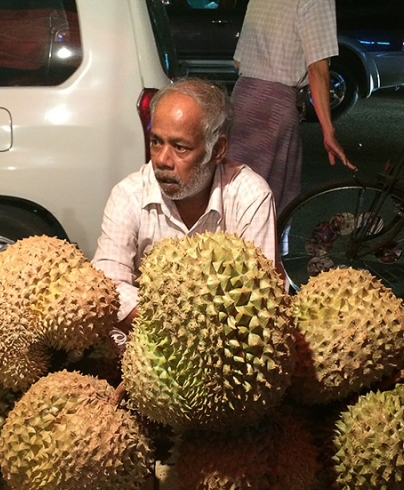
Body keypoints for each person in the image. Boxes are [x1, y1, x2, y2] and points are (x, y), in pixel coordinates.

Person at [91, 78, 278, 333]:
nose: (162, 160)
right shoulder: (129, 195)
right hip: (147, 344)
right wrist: (175, 326)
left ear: (218, 149)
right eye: (156, 142)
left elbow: (259, 298)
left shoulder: (250, 197)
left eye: (180, 147)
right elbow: (108, 285)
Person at [226, 0, 355, 217]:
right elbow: (317, 68)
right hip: (274, 107)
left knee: (233, 193)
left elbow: (239, 62)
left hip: (241, 98)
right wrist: (328, 130)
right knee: (267, 203)